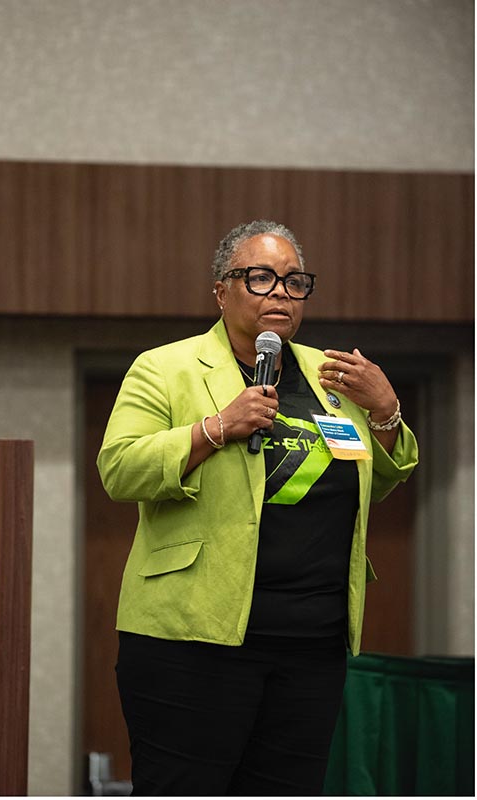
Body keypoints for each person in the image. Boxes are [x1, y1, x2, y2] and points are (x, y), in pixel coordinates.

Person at [97, 220, 418, 796]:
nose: (281, 293)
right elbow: (120, 470)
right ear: (221, 291)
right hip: (192, 640)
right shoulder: (166, 368)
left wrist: (385, 413)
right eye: (261, 278)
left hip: (311, 644)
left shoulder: (331, 376)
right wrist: (216, 427)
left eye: (295, 282)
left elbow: (371, 485)